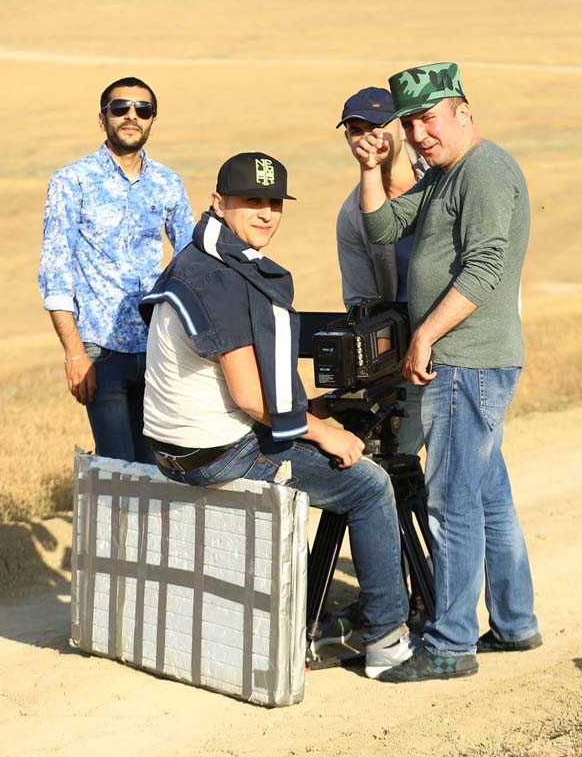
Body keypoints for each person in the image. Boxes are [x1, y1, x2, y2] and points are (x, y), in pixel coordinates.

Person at [138, 152, 412, 678]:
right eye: (251, 201)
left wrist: (310, 412)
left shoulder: (196, 258)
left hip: (174, 448)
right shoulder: (220, 278)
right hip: (218, 454)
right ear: (218, 202)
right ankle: (387, 641)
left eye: (274, 202)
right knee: (369, 485)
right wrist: (323, 431)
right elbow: (248, 397)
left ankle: (309, 613)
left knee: (316, 439)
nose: (265, 213)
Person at [355, 62, 541, 682]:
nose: (418, 135)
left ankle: (449, 644)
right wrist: (372, 167)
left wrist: (426, 336)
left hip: (466, 361)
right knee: (488, 495)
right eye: (409, 124)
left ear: (464, 111)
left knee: (452, 503)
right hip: (473, 360)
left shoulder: (484, 170)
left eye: (428, 120)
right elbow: (382, 226)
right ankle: (515, 622)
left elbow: (485, 268)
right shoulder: (442, 176)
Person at [38, 77, 193, 463]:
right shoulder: (72, 180)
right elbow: (55, 268)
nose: (131, 116)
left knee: (158, 465)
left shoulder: (167, 182)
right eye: (120, 108)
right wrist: (75, 353)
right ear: (102, 118)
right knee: (117, 465)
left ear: (152, 119)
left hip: (158, 345)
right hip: (100, 350)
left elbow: (191, 259)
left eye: (143, 110)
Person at [335, 86, 428, 456]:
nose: (368, 138)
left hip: (458, 347)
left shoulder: (442, 182)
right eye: (356, 131)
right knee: (395, 463)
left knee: (462, 469)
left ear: (402, 127)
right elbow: (361, 302)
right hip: (403, 359)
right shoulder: (352, 215)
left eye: (378, 126)